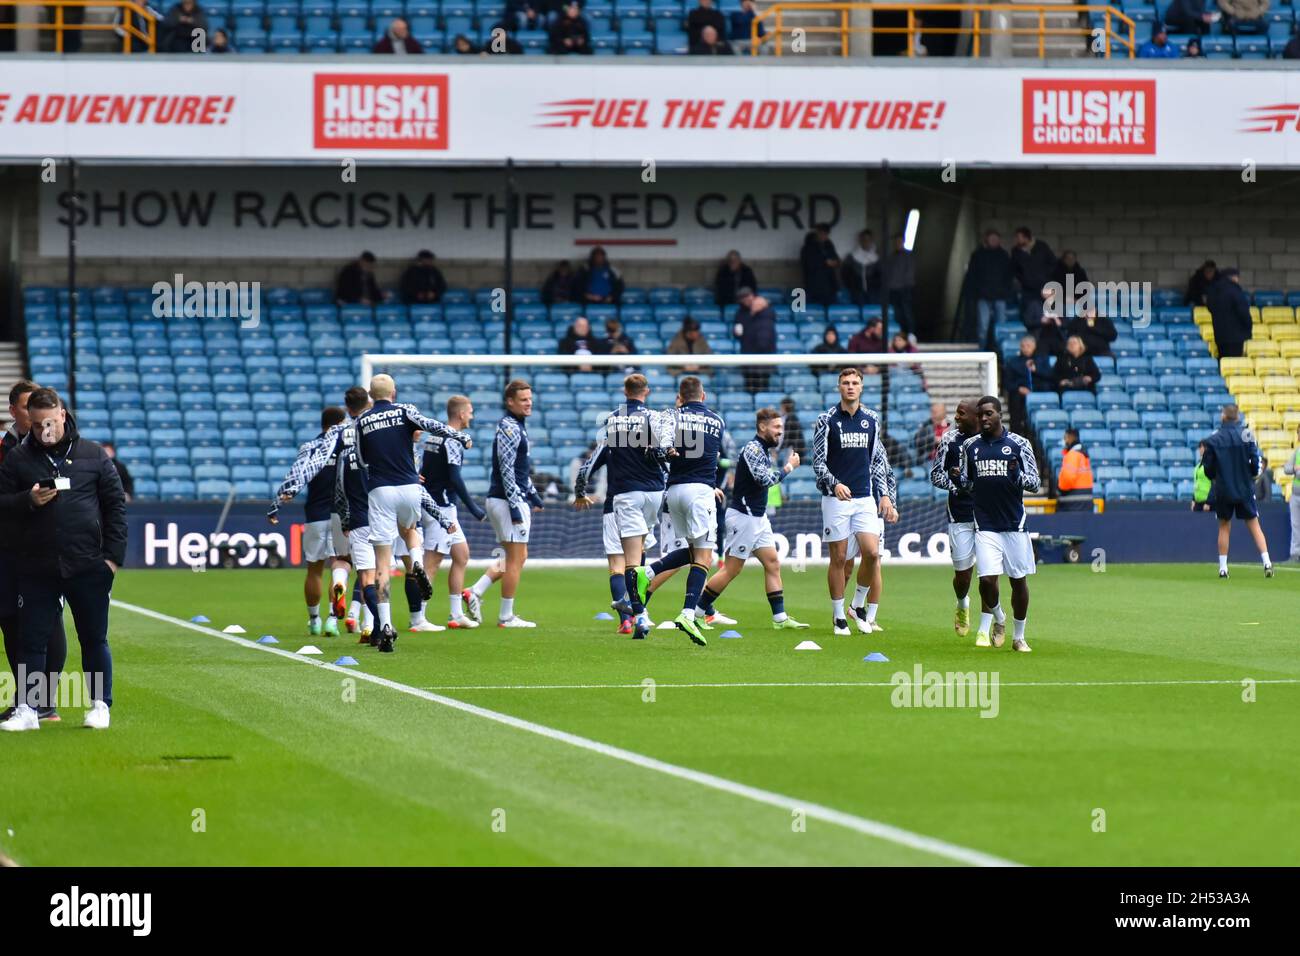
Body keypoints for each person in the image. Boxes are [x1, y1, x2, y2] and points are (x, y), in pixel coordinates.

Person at [0, 387, 126, 732]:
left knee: (94, 637)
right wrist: (27, 500)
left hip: (88, 564)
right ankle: (28, 709)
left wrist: (112, 560)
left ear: (63, 415)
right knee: (32, 641)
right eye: (38, 425)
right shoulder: (19, 459)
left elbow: (115, 506)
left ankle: (101, 705)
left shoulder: (93, 455)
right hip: (37, 565)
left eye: (50, 423)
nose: (44, 431)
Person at [354, 375, 470, 651]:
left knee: (383, 562)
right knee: (410, 532)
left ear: (371, 396)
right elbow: (432, 426)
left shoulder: (362, 421)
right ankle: (417, 562)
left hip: (380, 489)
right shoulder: (406, 410)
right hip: (409, 485)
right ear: (393, 392)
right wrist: (459, 436)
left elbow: (360, 460)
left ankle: (385, 626)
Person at [696, 408, 809, 630]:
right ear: (762, 427)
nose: (780, 432)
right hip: (744, 517)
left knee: (772, 562)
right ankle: (697, 613)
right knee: (731, 569)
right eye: (776, 427)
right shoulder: (753, 449)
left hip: (758, 517)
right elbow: (764, 480)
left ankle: (779, 618)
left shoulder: (763, 450)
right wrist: (789, 467)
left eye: (781, 428)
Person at [575, 374, 669, 641]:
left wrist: (580, 490)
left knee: (620, 563)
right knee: (639, 557)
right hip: (653, 494)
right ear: (646, 392)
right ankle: (637, 607)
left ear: (624, 391)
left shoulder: (612, 421)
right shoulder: (654, 418)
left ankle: (632, 617)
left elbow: (593, 460)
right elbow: (663, 456)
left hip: (623, 496)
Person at [637, 376, 725, 646]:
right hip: (701, 491)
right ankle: (688, 613)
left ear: (680, 396)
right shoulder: (717, 421)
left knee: (693, 552)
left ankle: (648, 573)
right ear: (703, 395)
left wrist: (666, 452)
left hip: (673, 492)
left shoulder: (669, 417)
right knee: (704, 557)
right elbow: (711, 455)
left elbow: (652, 452)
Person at [812, 367, 898, 636]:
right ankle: (839, 616)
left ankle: (858, 605)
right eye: (846, 382)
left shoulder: (872, 419)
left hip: (864, 497)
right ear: (839, 387)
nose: (850, 386)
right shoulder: (826, 420)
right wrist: (834, 483)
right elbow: (817, 462)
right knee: (839, 558)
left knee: (872, 554)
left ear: (862, 387)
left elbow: (877, 462)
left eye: (855, 383)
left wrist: (884, 494)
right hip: (835, 498)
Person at [0, 380, 66, 724]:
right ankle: (29, 699)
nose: (39, 419)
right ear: (14, 412)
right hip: (8, 552)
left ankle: (43, 704)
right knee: (12, 624)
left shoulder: (59, 451)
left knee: (48, 624)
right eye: (29, 409)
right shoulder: (6, 448)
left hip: (43, 551)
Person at [951, 396, 1037, 652]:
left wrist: (1017, 476)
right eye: (980, 415)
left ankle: (1019, 636)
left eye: (989, 414)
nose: (984, 419)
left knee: (1018, 581)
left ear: (1000, 414)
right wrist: (959, 480)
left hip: (1014, 524)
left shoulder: (1019, 444)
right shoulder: (970, 446)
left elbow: (1033, 482)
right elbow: (969, 484)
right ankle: (999, 617)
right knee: (987, 581)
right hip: (985, 523)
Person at [466, 379, 544, 627]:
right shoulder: (509, 427)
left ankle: (475, 591)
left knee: (518, 557)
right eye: (523, 399)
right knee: (515, 559)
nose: (528, 403)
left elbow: (520, 471)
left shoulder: (516, 426)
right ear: (510, 402)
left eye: (530, 398)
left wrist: (533, 495)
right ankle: (505, 616)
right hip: (507, 500)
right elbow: (506, 469)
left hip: (508, 498)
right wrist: (515, 506)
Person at [272, 406, 351, 637]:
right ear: (338, 424)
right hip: (340, 515)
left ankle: (314, 620)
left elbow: (296, 476)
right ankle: (331, 620)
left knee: (314, 571)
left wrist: (279, 502)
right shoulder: (345, 447)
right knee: (340, 564)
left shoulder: (309, 447)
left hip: (315, 515)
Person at [420, 395, 485, 630]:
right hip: (441, 508)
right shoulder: (452, 439)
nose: (472, 416)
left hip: (437, 504)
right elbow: (455, 477)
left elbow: (424, 470)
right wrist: (475, 508)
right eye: (470, 412)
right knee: (432, 563)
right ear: (460, 414)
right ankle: (419, 617)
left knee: (461, 555)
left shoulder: (433, 436)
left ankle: (456, 614)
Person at [928, 399, 986, 638]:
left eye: (961, 413)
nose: (956, 417)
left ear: (976, 416)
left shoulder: (990, 441)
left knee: (988, 573)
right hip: (960, 512)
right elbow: (935, 475)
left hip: (989, 512)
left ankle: (986, 627)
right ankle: (962, 603)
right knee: (963, 575)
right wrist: (956, 487)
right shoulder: (949, 440)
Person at [1201, 404, 1273, 578]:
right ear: (1237, 417)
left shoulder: (1214, 439)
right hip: (1244, 489)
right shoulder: (1247, 435)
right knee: (1254, 525)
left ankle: (1223, 568)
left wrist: (1216, 478)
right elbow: (1256, 463)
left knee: (1224, 527)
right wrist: (1252, 477)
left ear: (1223, 416)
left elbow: (1207, 469)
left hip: (1223, 490)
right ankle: (1267, 563)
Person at [966, 229, 1013, 348]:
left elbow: (1009, 276)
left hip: (1000, 296)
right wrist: (975, 293)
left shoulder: (1003, 255)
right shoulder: (978, 255)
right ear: (986, 239)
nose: (994, 241)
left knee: (1001, 327)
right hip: (983, 297)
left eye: (996, 239)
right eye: (992, 239)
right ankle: (982, 352)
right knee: (983, 327)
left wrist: (1006, 291)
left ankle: (1000, 353)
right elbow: (972, 275)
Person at [1011, 226, 1057, 329]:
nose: (1017, 240)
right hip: (1027, 289)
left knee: (1046, 311)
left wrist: (1046, 278)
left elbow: (1053, 263)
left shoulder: (1042, 246)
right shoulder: (1015, 251)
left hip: (1044, 287)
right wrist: (1023, 279)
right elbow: (1015, 269)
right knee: (1028, 312)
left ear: (1027, 237)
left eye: (1019, 237)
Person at [733, 287, 776, 394]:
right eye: (744, 298)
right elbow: (737, 332)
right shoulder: (741, 313)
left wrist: (764, 306)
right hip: (748, 354)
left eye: (749, 297)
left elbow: (769, 328)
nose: (748, 300)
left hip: (765, 356)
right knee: (750, 386)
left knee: (764, 388)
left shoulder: (768, 311)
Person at [1004, 334, 1050, 434]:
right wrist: (1019, 388)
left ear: (1034, 346)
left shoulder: (1042, 359)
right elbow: (1007, 382)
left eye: (1028, 346)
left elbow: (1050, 376)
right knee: (1015, 400)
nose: (1025, 348)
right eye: (1023, 346)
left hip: (1039, 392)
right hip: (1020, 393)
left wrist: (1036, 370)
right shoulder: (1013, 362)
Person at [1206, 266, 1252, 359]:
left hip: (1220, 335)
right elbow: (1243, 313)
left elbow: (1210, 307)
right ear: (1233, 277)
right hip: (1236, 336)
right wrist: (1248, 328)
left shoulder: (1214, 290)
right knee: (1234, 364)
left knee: (1224, 362)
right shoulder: (1235, 291)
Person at [880, 233, 916, 342]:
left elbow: (910, 273)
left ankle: (910, 334)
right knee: (897, 313)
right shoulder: (891, 257)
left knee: (907, 312)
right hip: (893, 290)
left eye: (899, 241)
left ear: (903, 242)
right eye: (896, 242)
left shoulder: (908, 256)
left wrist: (907, 286)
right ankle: (900, 335)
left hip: (905, 289)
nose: (897, 244)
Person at [800, 224, 840, 307]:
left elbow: (836, 260)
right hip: (813, 285)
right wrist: (825, 263)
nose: (824, 236)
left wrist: (834, 263)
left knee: (831, 309)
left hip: (830, 285)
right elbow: (808, 265)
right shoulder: (808, 247)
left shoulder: (829, 245)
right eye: (821, 233)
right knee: (813, 310)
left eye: (826, 234)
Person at [1056, 427, 1094, 512]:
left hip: (1072, 506)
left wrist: (1059, 489)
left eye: (1065, 438)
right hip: (1085, 505)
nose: (1064, 440)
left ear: (1070, 438)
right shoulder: (1083, 455)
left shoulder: (1073, 455)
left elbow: (1067, 479)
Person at [841, 229, 881, 306]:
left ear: (871, 241)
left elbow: (880, 276)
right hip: (856, 292)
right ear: (860, 241)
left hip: (873, 292)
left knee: (871, 313)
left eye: (868, 240)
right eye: (864, 240)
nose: (866, 242)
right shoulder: (852, 257)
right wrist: (851, 286)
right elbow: (844, 274)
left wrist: (876, 286)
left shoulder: (876, 258)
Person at [913, 401, 949, 469]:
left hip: (948, 460)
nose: (932, 414)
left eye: (935, 412)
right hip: (930, 460)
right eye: (932, 412)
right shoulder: (926, 425)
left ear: (944, 413)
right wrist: (933, 439)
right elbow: (917, 441)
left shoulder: (950, 426)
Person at [1283, 426, 1300, 560]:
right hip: (1295, 495)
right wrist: (1294, 468)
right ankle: (1295, 554)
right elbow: (1286, 468)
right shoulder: (1297, 452)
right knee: (1295, 525)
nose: (1298, 436)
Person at [1191, 441, 1214, 513]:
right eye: (1199, 447)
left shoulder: (1211, 464)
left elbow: (1215, 484)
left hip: (1208, 503)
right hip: (1198, 502)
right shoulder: (1197, 466)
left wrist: (1209, 502)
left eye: (1202, 447)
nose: (1200, 449)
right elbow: (1196, 483)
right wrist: (1193, 499)